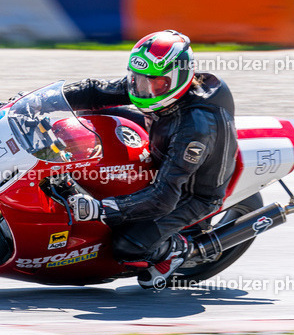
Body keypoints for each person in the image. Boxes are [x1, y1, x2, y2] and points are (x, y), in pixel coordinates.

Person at [61, 29, 238, 289]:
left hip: (192, 193)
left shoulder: (196, 127)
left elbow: (164, 197)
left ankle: (176, 250)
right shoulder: (153, 84)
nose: (143, 90)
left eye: (154, 83)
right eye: (137, 80)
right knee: (88, 113)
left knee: (126, 246)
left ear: (178, 79)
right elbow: (95, 92)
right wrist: (36, 101)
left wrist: (102, 208)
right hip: (162, 141)